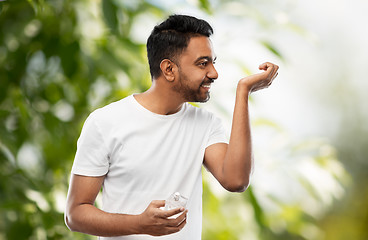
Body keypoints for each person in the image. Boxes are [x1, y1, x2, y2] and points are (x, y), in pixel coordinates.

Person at [65, 14, 279, 239]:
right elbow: (75, 214)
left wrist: (243, 92)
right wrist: (140, 224)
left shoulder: (206, 124)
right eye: (202, 63)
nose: (214, 73)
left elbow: (236, 180)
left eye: (213, 62)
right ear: (168, 69)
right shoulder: (105, 122)